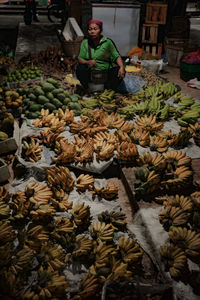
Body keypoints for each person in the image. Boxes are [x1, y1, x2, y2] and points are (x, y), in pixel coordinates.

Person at [76, 19, 125, 94]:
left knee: (118, 70)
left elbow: (116, 56)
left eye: (95, 29)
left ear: (100, 30)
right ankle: (87, 89)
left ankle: (108, 90)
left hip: (105, 73)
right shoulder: (85, 43)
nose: (92, 32)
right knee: (80, 68)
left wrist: (122, 67)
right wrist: (87, 62)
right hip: (91, 73)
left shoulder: (108, 42)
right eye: (90, 29)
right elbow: (80, 58)